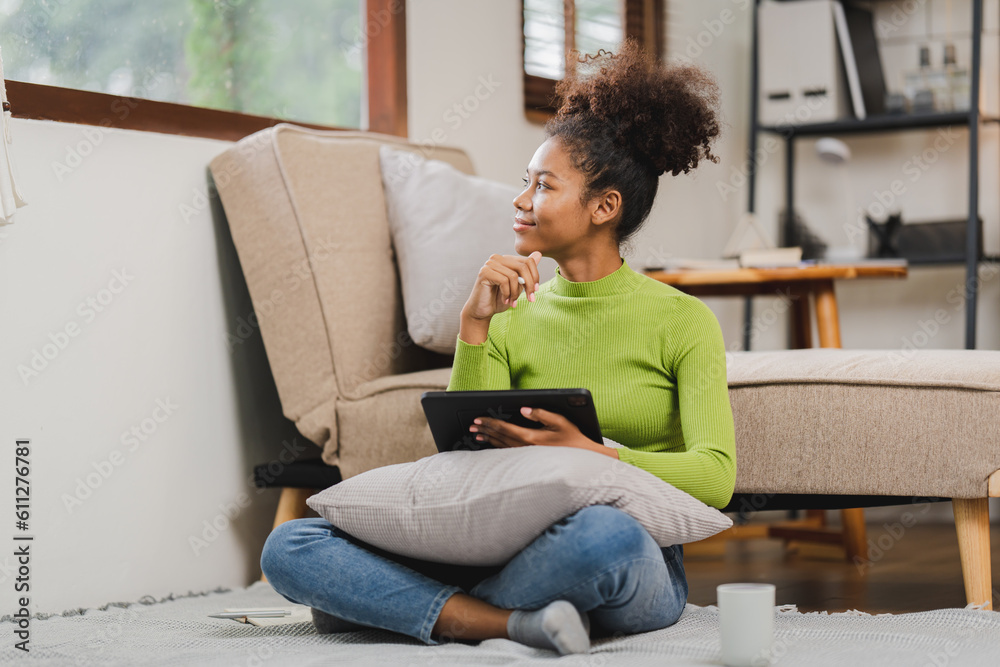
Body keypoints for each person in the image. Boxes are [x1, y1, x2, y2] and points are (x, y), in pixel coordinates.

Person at [260, 36, 735, 656]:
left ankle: (401, 606)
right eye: (525, 182)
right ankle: (506, 623)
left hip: (622, 550)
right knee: (292, 546)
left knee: (602, 539)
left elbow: (716, 477)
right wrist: (475, 328)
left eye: (544, 185)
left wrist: (594, 455)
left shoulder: (683, 321)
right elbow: (464, 460)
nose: (520, 200)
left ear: (604, 207)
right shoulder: (511, 315)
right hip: (496, 541)